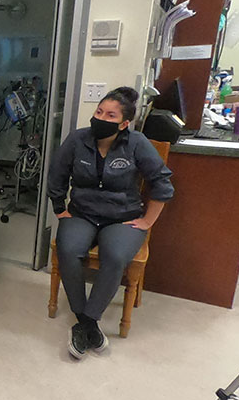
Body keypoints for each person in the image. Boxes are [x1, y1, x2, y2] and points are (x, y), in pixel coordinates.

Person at [48, 86, 174, 359]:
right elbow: (56, 174)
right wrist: (59, 209)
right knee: (68, 250)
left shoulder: (137, 143)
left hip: (123, 217)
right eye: (99, 112)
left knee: (115, 256)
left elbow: (162, 183)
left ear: (124, 123)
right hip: (82, 213)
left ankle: (87, 322)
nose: (101, 118)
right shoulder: (77, 139)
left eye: (110, 115)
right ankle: (85, 320)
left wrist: (148, 221)